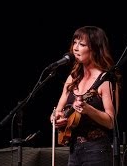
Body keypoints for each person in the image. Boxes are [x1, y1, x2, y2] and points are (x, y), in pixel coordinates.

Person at [50, 26, 121, 166]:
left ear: (95, 49)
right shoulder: (73, 77)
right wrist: (56, 119)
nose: (75, 48)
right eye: (74, 43)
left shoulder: (106, 80)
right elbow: (57, 111)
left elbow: (111, 122)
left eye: (81, 44)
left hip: (97, 151)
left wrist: (89, 110)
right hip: (73, 149)